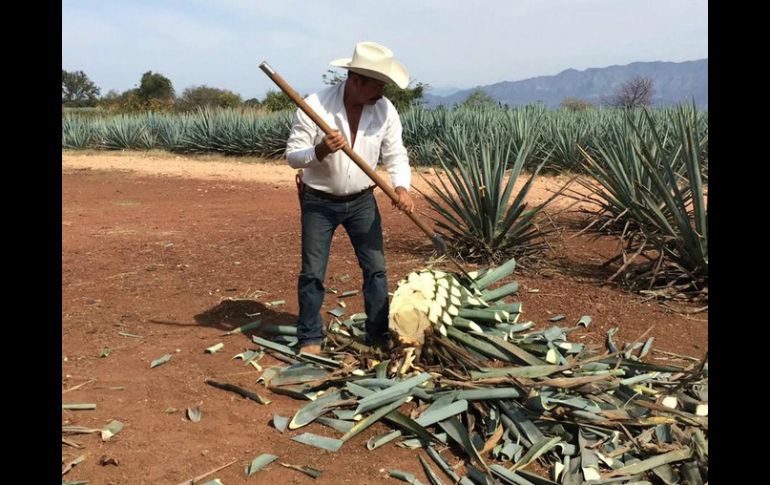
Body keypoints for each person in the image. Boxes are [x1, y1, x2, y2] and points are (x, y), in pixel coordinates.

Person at [286, 41, 415, 355]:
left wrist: (401, 188)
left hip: (362, 201)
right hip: (319, 201)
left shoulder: (384, 110)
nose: (382, 92)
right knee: (313, 272)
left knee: (376, 269)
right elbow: (293, 157)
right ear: (356, 80)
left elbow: (395, 153)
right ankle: (310, 339)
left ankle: (377, 335)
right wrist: (321, 150)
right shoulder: (315, 106)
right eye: (377, 85)